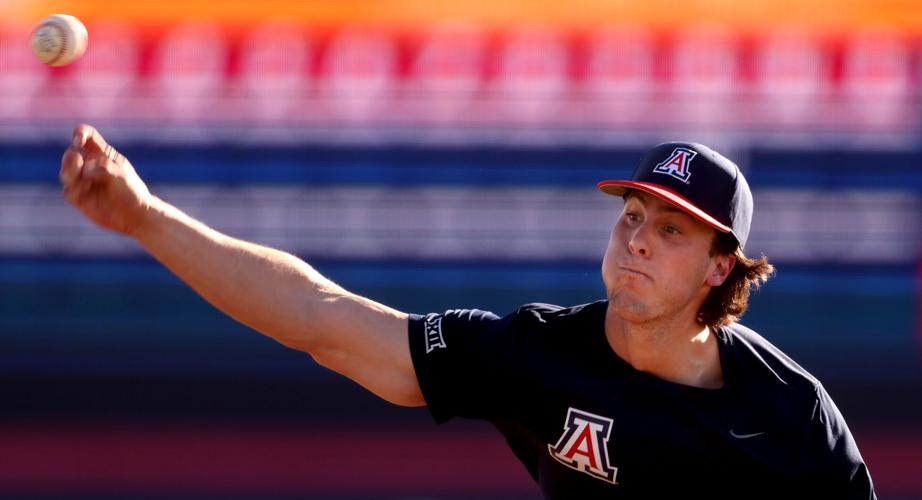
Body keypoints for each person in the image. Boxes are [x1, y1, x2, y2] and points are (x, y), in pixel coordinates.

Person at [59, 125, 875, 499]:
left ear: (720, 267)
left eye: (671, 231)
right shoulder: (535, 355)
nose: (637, 240)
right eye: (632, 217)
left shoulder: (792, 420)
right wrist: (143, 218)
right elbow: (320, 317)